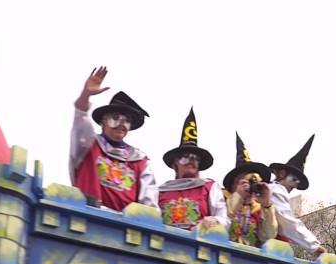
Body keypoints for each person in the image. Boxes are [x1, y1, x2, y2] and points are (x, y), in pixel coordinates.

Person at [69, 66, 157, 211]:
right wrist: (86, 95)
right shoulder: (89, 146)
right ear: (103, 122)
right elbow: (80, 119)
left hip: (123, 229)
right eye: (116, 118)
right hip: (86, 219)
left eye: (127, 120)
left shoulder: (139, 160)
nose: (122, 125)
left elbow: (150, 206)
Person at [157, 108, 228, 232]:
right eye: (185, 157)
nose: (191, 161)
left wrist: (214, 220)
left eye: (195, 158)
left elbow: (224, 219)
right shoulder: (160, 191)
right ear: (175, 162)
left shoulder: (209, 186)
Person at [268, 136, 327, 256]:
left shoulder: (271, 189)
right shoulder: (276, 190)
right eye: (294, 180)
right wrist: (314, 246)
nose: (295, 186)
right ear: (282, 174)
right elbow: (288, 223)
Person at [222, 134, 277, 247]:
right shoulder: (220, 198)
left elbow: (268, 237)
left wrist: (266, 205)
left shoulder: (258, 209)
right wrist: (237, 197)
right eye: (249, 182)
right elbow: (220, 220)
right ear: (237, 182)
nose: (252, 188)